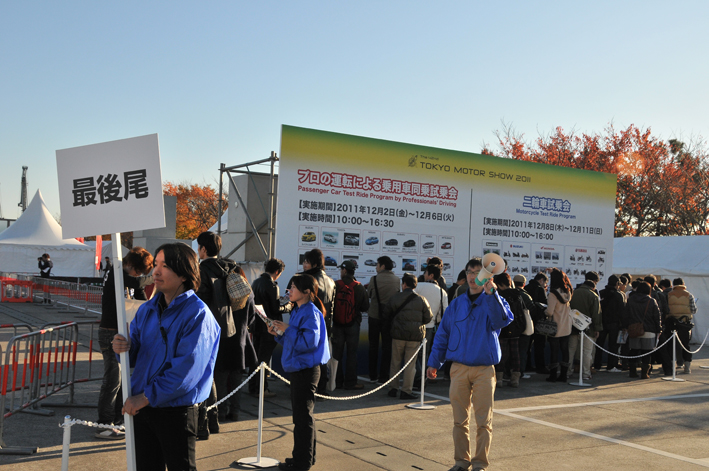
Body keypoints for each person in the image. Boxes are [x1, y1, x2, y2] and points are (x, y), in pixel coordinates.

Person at [112, 243, 220, 471]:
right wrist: (122, 348)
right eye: (156, 265)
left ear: (184, 274)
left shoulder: (198, 315)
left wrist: (145, 397)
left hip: (176, 411)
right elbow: (133, 358)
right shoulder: (146, 310)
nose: (156, 272)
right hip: (143, 406)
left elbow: (186, 373)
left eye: (165, 266)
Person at [426, 257, 513, 471]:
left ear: (487, 276)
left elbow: (503, 320)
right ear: (465, 275)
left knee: (484, 421)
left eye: (477, 273)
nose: (473, 277)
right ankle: (460, 461)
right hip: (459, 368)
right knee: (459, 420)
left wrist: (491, 294)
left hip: (484, 369)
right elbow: (443, 334)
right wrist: (434, 362)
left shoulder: (493, 299)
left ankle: (480, 464)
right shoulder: (457, 303)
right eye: (470, 272)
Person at [268, 274, 330, 471]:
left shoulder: (310, 312)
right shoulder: (298, 310)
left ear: (307, 292)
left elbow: (308, 343)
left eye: (293, 287)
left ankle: (301, 462)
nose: (290, 290)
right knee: (303, 417)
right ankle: (305, 458)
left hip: (306, 370)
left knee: (302, 418)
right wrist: (279, 334)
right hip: (300, 368)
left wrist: (287, 330)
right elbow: (295, 342)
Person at [195, 231, 256, 432]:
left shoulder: (203, 270)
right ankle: (234, 411)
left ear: (203, 249)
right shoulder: (232, 269)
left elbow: (199, 302)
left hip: (213, 329)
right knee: (235, 374)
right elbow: (251, 307)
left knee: (217, 375)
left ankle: (217, 413)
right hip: (236, 333)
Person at [96, 247, 154, 440]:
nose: (139, 275)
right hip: (110, 333)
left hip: (119, 333)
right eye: (138, 271)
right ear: (131, 265)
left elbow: (142, 298)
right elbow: (138, 283)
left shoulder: (124, 273)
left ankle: (115, 419)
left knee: (121, 380)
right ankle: (104, 424)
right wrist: (156, 277)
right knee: (112, 380)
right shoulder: (117, 272)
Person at [384, 273, 432, 400]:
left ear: (404, 284)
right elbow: (428, 317)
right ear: (415, 285)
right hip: (414, 337)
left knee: (395, 363)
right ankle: (406, 390)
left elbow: (386, 314)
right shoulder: (422, 300)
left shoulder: (395, 298)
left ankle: (393, 389)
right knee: (410, 366)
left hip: (398, 335)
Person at [250, 258, 292, 397]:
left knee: (256, 357)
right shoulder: (272, 285)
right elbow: (275, 308)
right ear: (277, 272)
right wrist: (288, 306)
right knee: (264, 359)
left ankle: (253, 387)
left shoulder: (256, 282)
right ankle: (262, 389)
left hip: (257, 325)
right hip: (269, 328)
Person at [300, 249, 336, 397]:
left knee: (309, 357)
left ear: (314, 263)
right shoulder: (331, 281)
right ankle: (321, 389)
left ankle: (310, 388)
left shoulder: (309, 280)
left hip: (310, 324)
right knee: (322, 357)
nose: (304, 264)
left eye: (307, 262)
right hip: (326, 324)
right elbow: (331, 307)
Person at [331, 260, 369, 390]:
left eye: (341, 270)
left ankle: (336, 381)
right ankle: (351, 382)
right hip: (353, 324)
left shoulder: (335, 285)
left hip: (337, 325)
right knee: (352, 354)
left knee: (337, 354)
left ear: (345, 271)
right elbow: (365, 307)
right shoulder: (359, 287)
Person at [366, 256, 400, 383]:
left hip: (374, 316)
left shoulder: (374, 279)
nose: (376, 267)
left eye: (378, 265)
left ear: (383, 266)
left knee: (373, 346)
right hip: (389, 318)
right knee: (387, 347)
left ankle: (373, 375)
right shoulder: (397, 280)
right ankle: (384, 376)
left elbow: (369, 294)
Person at [414, 264, 448, 386]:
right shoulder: (442, 292)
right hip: (430, 327)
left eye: (425, 272)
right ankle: (423, 378)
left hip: (415, 325)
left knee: (413, 354)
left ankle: (417, 377)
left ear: (431, 275)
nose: (424, 274)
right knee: (425, 354)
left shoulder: (418, 286)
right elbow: (445, 311)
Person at [493, 273, 526, 388]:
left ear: (500, 284)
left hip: (503, 329)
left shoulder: (499, 295)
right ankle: (515, 379)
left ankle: (499, 379)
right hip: (516, 328)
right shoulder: (518, 294)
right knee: (515, 354)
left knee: (501, 354)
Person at [622, 281, 661, 379]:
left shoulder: (631, 300)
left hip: (634, 329)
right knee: (646, 353)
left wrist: (625, 327)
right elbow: (657, 316)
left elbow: (626, 314)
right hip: (649, 330)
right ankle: (644, 373)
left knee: (634, 351)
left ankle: (632, 372)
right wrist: (658, 329)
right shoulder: (651, 301)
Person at [568, 271, 602, 381]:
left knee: (571, 351)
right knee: (587, 352)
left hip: (573, 327)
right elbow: (596, 314)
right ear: (593, 285)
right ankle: (586, 374)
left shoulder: (574, 293)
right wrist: (597, 328)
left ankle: (568, 372)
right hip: (588, 330)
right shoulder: (593, 295)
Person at [545, 268, 573, 383]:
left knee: (554, 352)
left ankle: (553, 376)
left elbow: (550, 312)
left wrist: (544, 311)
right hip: (566, 326)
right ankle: (564, 375)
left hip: (555, 327)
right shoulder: (568, 292)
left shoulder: (553, 294)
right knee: (565, 350)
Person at [665, 277, 697, 374]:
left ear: (673, 285)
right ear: (683, 284)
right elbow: (694, 310)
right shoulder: (689, 295)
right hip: (684, 323)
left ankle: (671, 366)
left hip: (671, 322)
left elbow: (665, 309)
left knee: (671, 345)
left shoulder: (668, 295)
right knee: (685, 345)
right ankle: (686, 367)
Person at [595, 275, 626, 373]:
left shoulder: (601, 293)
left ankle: (596, 365)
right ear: (617, 284)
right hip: (614, 324)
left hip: (602, 323)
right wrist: (624, 325)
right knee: (613, 346)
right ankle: (611, 366)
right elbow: (622, 312)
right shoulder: (618, 295)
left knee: (599, 345)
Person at [525, 272, 549, 374]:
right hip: (538, 321)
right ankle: (540, 366)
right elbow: (545, 305)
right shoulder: (540, 289)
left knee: (527, 345)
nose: (545, 285)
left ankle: (527, 365)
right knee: (539, 345)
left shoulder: (526, 288)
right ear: (541, 280)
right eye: (545, 282)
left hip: (527, 320)